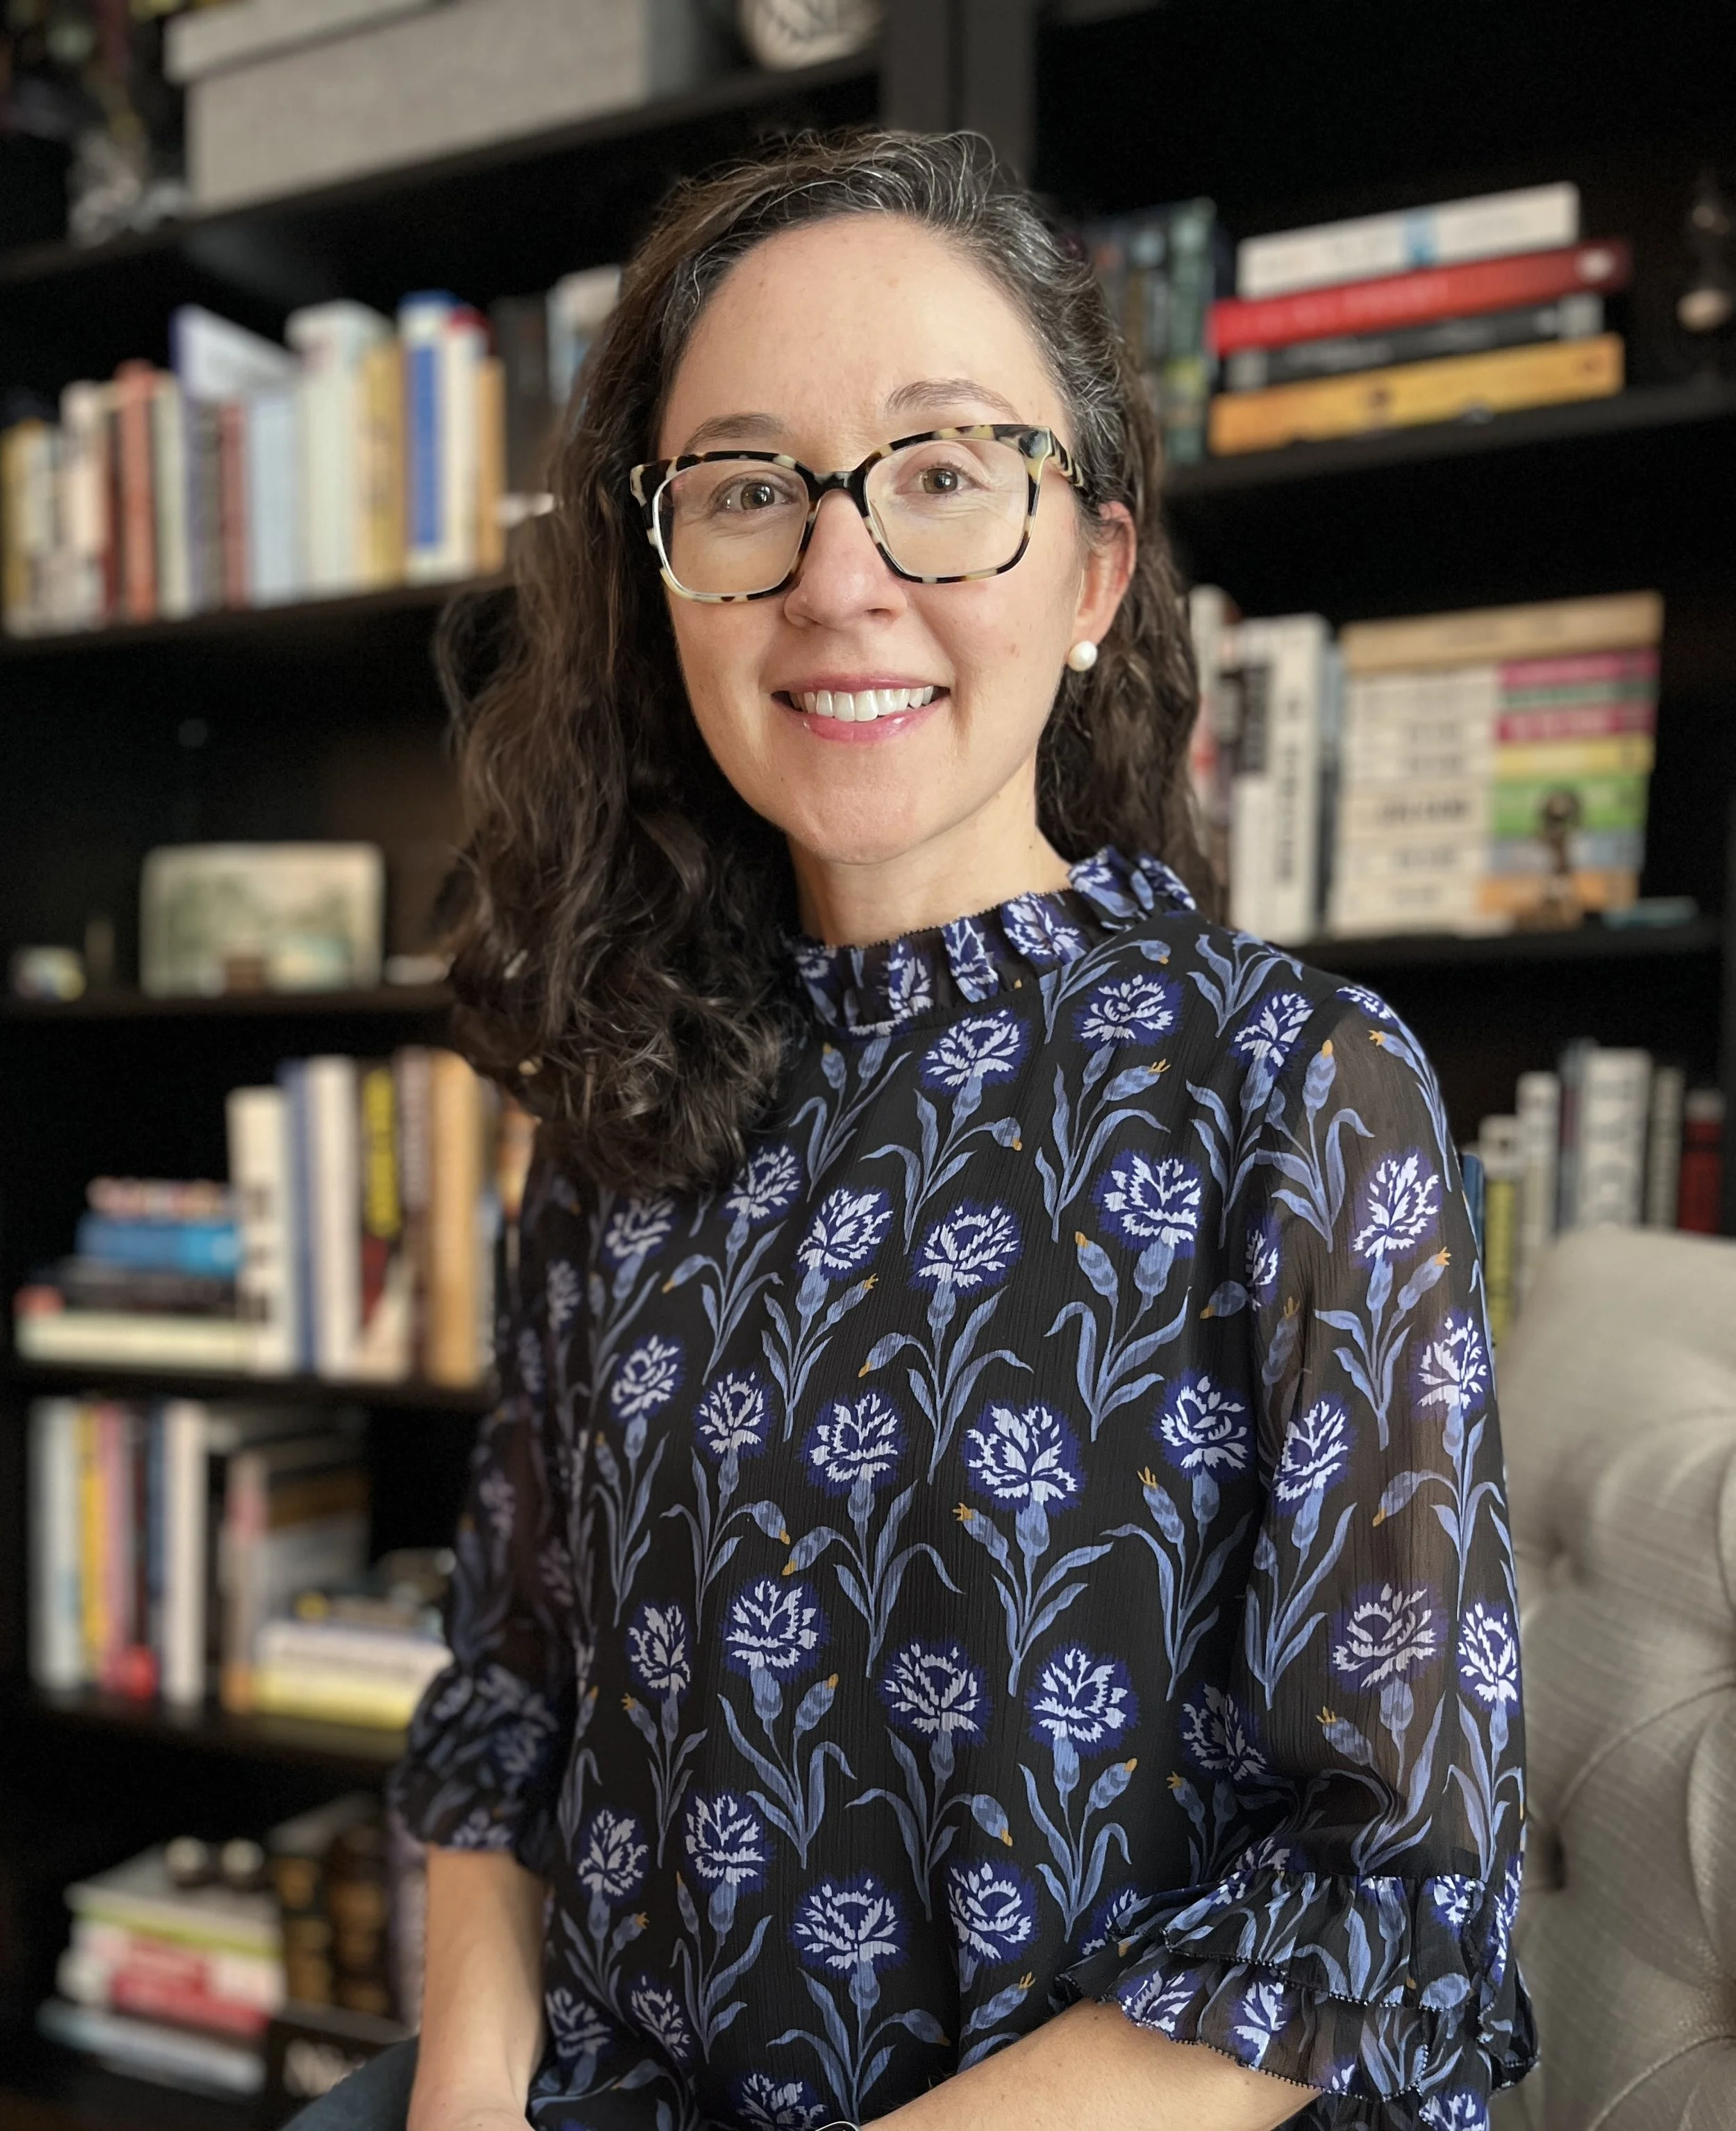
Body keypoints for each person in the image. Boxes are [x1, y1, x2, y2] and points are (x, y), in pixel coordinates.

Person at [310, 129, 1535, 2131]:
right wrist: (461, 2092)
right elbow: (505, 1694)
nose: (837, 577)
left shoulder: (1294, 1087)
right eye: (745, 490)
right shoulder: (622, 1073)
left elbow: (1384, 1892)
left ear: (1092, 574)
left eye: (943, 475)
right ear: (665, 577)